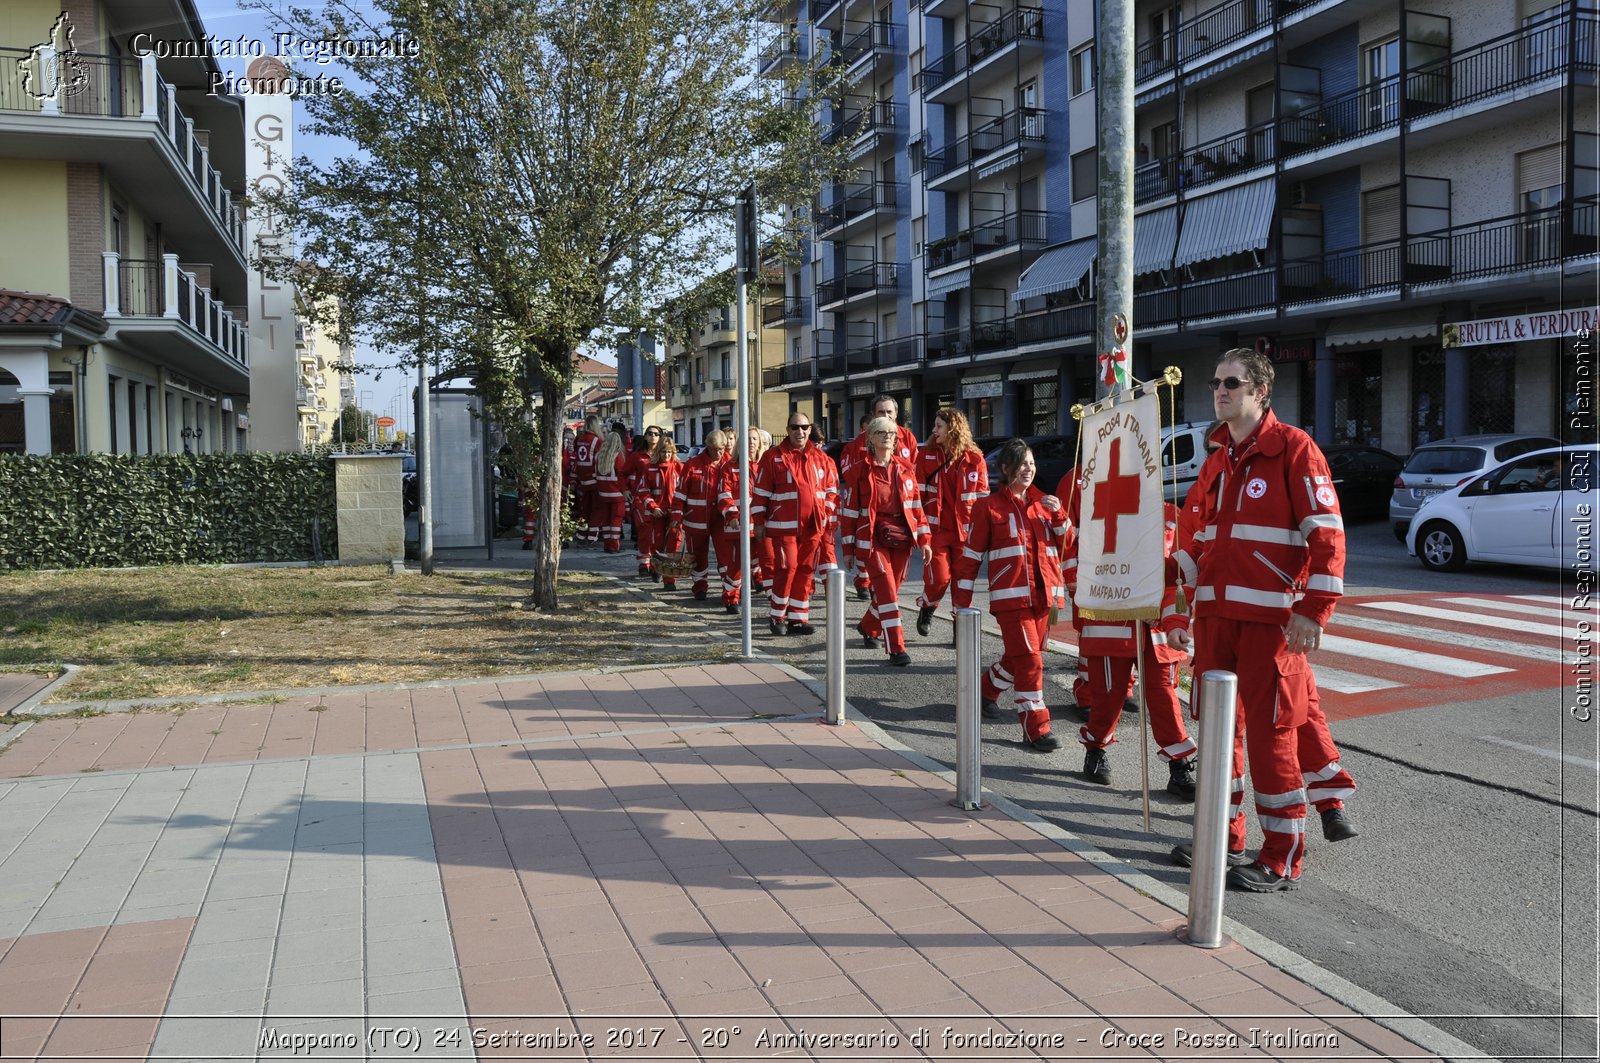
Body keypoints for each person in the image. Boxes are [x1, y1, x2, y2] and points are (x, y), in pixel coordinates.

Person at [1170, 347, 1348, 893]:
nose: (1220, 391)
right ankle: (1222, 835)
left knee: (1273, 739)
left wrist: (1313, 612)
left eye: (1231, 382)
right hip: (1216, 621)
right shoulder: (1217, 457)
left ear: (1259, 391)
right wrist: (1180, 610)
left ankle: (1282, 856)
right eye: (1215, 382)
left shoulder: (1294, 449)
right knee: (1220, 734)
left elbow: (1328, 537)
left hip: (1270, 624)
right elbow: (1195, 540)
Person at [1059, 477, 1198, 799]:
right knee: (1108, 697)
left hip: (1157, 630)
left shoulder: (1172, 517)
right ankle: (1095, 748)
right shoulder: (1101, 520)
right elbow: (1088, 576)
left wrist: (1164, 612)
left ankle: (1179, 764)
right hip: (1112, 626)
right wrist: (1134, 603)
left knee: (1163, 698)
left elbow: (1180, 576)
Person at [953, 439, 1070, 751]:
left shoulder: (1046, 503)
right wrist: (960, 605)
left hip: (1045, 598)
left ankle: (985, 691)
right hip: (1011, 600)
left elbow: (1068, 544)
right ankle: (1036, 728)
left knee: (1019, 657)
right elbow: (970, 558)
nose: (1028, 469)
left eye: (1031, 463)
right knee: (1031, 662)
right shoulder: (987, 507)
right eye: (1022, 464)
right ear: (1006, 469)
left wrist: (1059, 516)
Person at [841, 416, 933, 667]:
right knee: (888, 592)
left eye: (892, 433)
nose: (888, 437)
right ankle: (896, 647)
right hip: (872, 539)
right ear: (870, 438)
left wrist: (924, 539)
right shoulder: (858, 471)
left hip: (901, 537)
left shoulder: (905, 468)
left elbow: (916, 508)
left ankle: (868, 626)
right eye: (882, 433)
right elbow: (848, 513)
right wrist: (848, 550)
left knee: (889, 589)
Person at [752, 411, 838, 636]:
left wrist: (825, 513)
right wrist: (758, 522)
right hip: (784, 526)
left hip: (813, 527)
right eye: (794, 427)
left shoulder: (822, 459)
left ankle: (798, 619)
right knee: (787, 568)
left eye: (804, 427)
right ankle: (777, 615)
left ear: (810, 429)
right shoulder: (773, 457)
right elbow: (760, 493)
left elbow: (831, 491)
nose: (799, 432)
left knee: (806, 570)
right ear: (787, 429)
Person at [914, 407, 988, 638]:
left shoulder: (975, 460)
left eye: (939, 426)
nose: (934, 430)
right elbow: (918, 497)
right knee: (940, 578)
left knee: (962, 583)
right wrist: (920, 529)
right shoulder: (926, 455)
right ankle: (927, 607)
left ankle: (960, 628)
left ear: (953, 429)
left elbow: (983, 501)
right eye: (934, 426)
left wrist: (986, 534)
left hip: (965, 534)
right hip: (936, 531)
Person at [839, 397, 919, 601]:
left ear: (897, 414)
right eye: (881, 412)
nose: (886, 416)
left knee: (891, 587)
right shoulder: (859, 444)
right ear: (873, 416)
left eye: (889, 412)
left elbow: (913, 480)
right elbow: (852, 489)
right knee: (884, 585)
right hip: (871, 523)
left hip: (900, 525)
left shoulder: (908, 438)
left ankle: (870, 624)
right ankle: (864, 583)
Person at [674, 429, 731, 600]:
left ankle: (730, 590)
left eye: (722, 448)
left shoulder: (731, 463)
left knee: (726, 555)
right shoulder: (693, 464)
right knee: (698, 555)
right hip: (696, 519)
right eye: (715, 449)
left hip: (722, 519)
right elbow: (680, 493)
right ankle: (700, 587)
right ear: (707, 447)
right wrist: (676, 516)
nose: (719, 453)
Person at [634, 433, 682, 587]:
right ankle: (656, 568)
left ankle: (670, 580)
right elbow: (643, 491)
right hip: (657, 513)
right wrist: (652, 507)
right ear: (658, 452)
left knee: (673, 546)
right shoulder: (650, 468)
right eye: (663, 452)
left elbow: (685, 490)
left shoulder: (679, 468)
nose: (666, 455)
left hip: (674, 513)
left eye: (669, 452)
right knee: (658, 544)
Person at [623, 428, 659, 574]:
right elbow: (623, 473)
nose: (653, 436)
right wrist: (625, 490)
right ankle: (644, 564)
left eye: (656, 434)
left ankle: (656, 564)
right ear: (645, 436)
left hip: (660, 500)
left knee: (658, 534)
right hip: (640, 499)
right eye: (650, 433)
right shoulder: (637, 456)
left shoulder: (665, 455)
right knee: (644, 530)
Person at [591, 428, 629, 554]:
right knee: (616, 521)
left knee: (606, 521)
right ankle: (614, 546)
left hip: (602, 493)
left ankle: (607, 545)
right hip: (616, 494)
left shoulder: (599, 456)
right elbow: (622, 476)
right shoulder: (618, 456)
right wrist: (625, 491)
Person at [573, 414, 604, 545]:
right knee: (596, 509)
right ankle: (592, 536)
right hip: (594, 480)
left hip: (583, 480)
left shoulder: (580, 439)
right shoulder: (597, 441)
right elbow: (600, 461)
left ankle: (580, 534)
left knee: (584, 508)